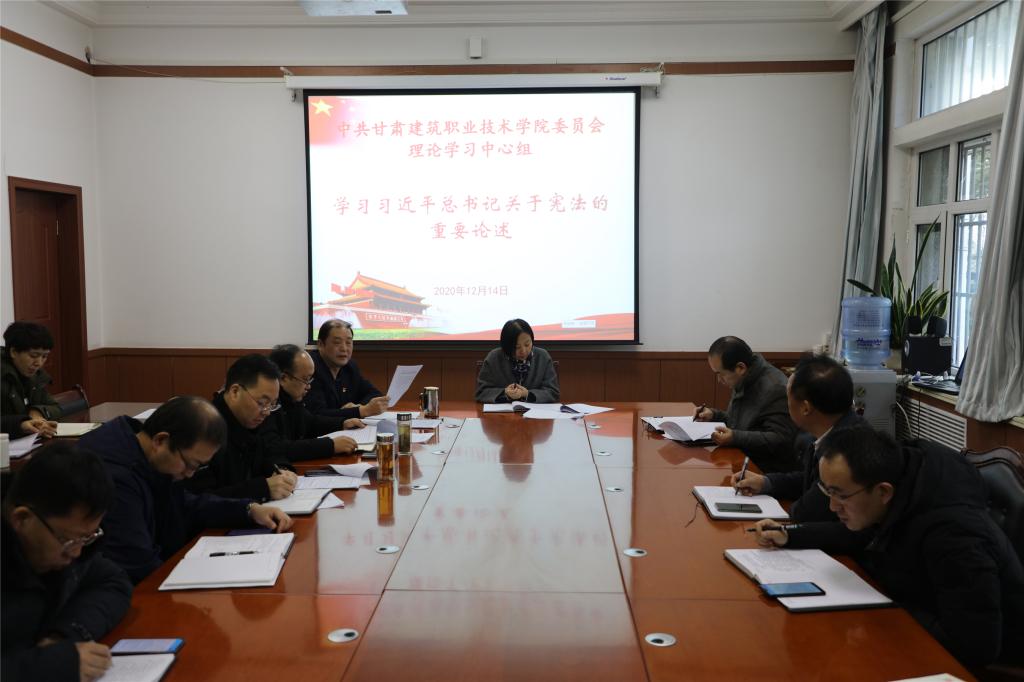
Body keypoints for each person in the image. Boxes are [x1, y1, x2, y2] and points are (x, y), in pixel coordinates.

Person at [753, 425, 1024, 667]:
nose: (833, 507)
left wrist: (881, 613)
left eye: (841, 496)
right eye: (828, 492)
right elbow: (862, 534)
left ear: (883, 492)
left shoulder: (956, 537)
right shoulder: (904, 484)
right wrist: (791, 535)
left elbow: (975, 646)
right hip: (914, 624)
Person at [78, 396, 294, 583]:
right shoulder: (114, 477)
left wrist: (248, 510)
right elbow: (137, 564)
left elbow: (185, 504)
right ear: (161, 440)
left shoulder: (146, 453)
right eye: (190, 464)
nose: (190, 474)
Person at [2, 441, 132, 682]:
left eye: (88, 537)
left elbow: (113, 582)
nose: (76, 553)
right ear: (22, 519)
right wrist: (50, 665)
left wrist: (64, 636)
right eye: (68, 540)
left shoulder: (62, 545)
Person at [732, 353, 862, 521]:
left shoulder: (844, 453)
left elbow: (805, 512)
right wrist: (766, 482)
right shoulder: (836, 429)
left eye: (788, 397)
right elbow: (808, 480)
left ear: (805, 408)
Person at [182, 355, 297, 501]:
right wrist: (262, 489)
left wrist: (282, 470)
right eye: (262, 402)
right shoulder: (204, 429)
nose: (267, 412)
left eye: (272, 404)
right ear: (235, 391)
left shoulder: (254, 418)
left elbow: (272, 451)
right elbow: (197, 499)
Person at [694, 336, 798, 472]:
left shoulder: (775, 389)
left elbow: (780, 439)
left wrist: (734, 437)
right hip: (743, 461)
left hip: (765, 472)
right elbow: (742, 422)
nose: (719, 380)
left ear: (740, 368)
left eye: (721, 374)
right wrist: (714, 415)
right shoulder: (744, 378)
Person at [262, 344, 359, 462]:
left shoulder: (292, 399)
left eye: (310, 379)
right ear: (283, 378)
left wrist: (342, 423)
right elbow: (277, 448)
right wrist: (330, 446)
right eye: (305, 379)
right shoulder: (268, 404)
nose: (308, 386)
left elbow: (310, 422)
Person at [305, 320, 389, 420]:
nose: (344, 348)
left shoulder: (350, 367)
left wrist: (358, 406)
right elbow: (317, 413)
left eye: (348, 342)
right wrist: (361, 411)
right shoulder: (309, 368)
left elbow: (374, 394)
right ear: (321, 344)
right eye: (337, 342)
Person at [475, 319, 560, 404]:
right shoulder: (494, 358)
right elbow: (481, 392)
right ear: (506, 346)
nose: (523, 351)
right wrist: (505, 393)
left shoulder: (542, 357)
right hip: (503, 411)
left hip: (535, 411)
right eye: (517, 347)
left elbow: (553, 392)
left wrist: (527, 394)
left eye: (527, 344)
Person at [1, 322, 60, 438]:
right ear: (13, 352)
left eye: (44, 356)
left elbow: (55, 407)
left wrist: (38, 412)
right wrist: (20, 424)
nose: (39, 363)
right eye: (33, 356)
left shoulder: (36, 377)